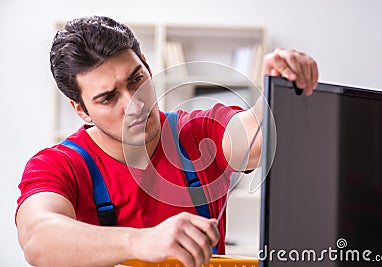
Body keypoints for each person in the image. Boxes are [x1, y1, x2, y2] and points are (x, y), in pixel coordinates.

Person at [16, 16, 318, 267]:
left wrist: (280, 87)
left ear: (147, 66)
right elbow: (37, 237)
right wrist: (139, 241)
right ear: (81, 110)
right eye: (108, 98)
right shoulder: (59, 165)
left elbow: (257, 136)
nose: (134, 104)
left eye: (136, 79)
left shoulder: (198, 133)